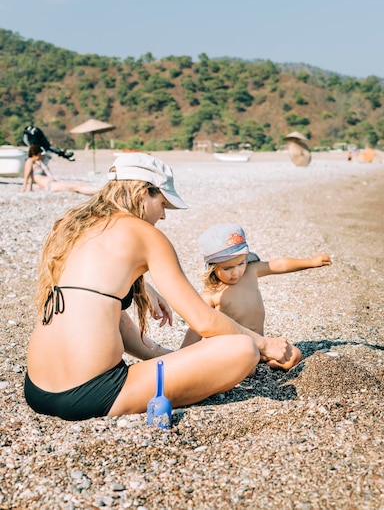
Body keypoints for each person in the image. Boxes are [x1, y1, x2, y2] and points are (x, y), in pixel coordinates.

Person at [24, 153, 299, 421]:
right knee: (243, 350)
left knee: (108, 312)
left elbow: (95, 306)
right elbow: (203, 321)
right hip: (98, 391)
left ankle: (168, 359)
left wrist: (143, 288)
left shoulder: (72, 228)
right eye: (164, 204)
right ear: (143, 192)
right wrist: (266, 344)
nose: (164, 217)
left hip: (37, 389)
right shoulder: (147, 235)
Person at [181, 223, 332, 370]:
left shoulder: (251, 271)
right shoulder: (212, 293)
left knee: (294, 356)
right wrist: (182, 357)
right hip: (232, 351)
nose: (236, 272)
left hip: (261, 346)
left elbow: (279, 265)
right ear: (212, 268)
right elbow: (195, 327)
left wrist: (311, 262)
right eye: (228, 268)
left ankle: (264, 364)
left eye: (241, 263)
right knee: (247, 368)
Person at [21, 145, 97, 195]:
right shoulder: (29, 161)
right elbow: (27, 175)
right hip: (49, 185)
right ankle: (98, 192)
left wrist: (30, 188)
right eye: (40, 154)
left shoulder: (37, 163)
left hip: (52, 182)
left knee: (78, 184)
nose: (41, 156)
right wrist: (24, 188)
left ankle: (98, 191)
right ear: (35, 154)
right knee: (75, 187)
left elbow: (31, 176)